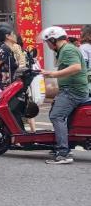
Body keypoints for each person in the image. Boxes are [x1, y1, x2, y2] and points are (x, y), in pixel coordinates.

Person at [40, 26, 89, 165]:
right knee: (62, 116)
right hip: (72, 90)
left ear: (53, 40)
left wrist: (52, 74)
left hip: (73, 91)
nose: (47, 45)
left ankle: (63, 153)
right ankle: (65, 146)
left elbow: (76, 67)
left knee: (56, 116)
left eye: (47, 42)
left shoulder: (67, 50)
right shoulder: (64, 50)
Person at [0, 25, 37, 134]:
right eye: (13, 34)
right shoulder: (4, 49)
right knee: (12, 111)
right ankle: (18, 134)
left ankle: (18, 134)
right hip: (5, 87)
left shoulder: (11, 49)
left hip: (11, 87)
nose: (15, 36)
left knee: (14, 111)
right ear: (8, 36)